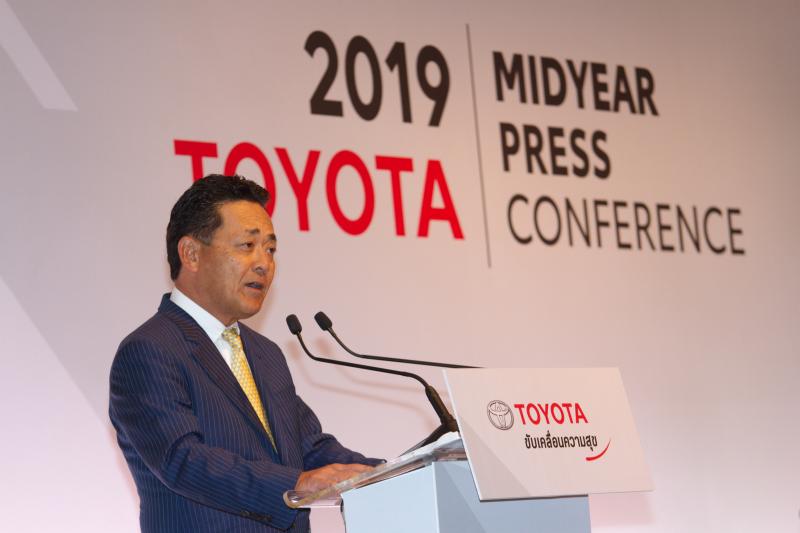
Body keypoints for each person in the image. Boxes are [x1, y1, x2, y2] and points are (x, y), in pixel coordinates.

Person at [109, 174, 379, 532]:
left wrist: (391, 473)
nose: (264, 263)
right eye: (247, 245)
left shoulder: (266, 354)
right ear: (191, 253)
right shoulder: (149, 350)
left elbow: (309, 448)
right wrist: (295, 484)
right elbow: (183, 460)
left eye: (270, 249)